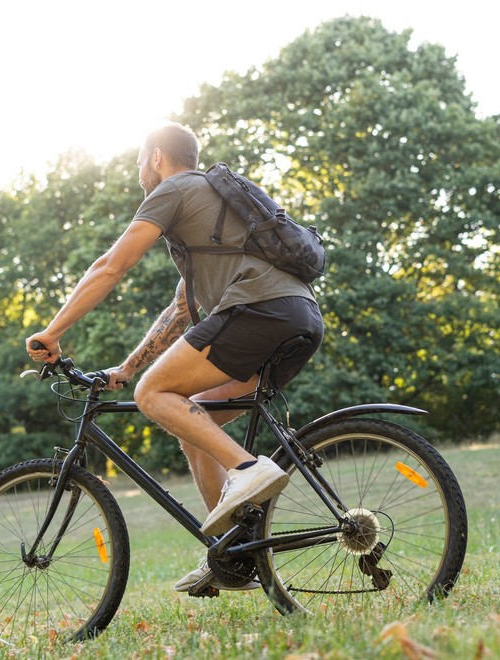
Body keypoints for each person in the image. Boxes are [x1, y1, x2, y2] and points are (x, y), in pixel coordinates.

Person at [26, 122, 323, 592]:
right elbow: (181, 311)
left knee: (154, 394)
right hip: (299, 315)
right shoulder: (213, 208)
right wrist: (126, 368)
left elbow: (111, 265)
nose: (138, 173)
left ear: (158, 157)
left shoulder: (175, 188)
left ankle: (248, 468)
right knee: (194, 417)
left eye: (139, 162)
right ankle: (232, 552)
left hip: (257, 310)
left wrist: (53, 331)